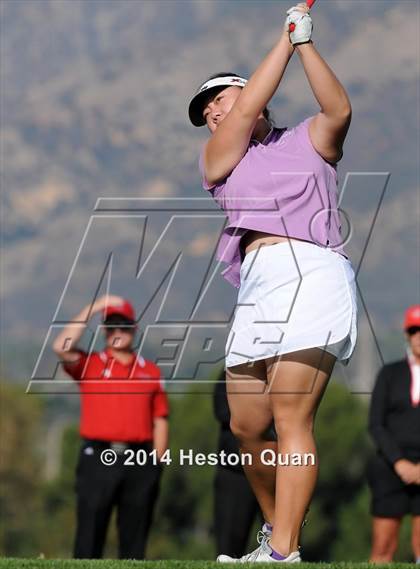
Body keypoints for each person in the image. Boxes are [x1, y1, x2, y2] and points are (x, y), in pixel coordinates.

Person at [188, 3, 357, 563]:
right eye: (206, 108)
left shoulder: (308, 139)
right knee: (246, 425)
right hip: (257, 282)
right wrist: (285, 40)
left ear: (255, 92)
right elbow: (243, 118)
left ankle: (283, 551)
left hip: (313, 271)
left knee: (290, 415)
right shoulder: (220, 157)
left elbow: (338, 108)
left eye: (220, 98)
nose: (213, 112)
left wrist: (304, 44)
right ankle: (277, 532)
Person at [53, 295, 169, 559]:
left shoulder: (150, 372)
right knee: (89, 538)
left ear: (134, 330)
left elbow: (160, 418)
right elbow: (61, 346)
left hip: (140, 459)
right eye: (112, 326)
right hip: (97, 458)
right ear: (104, 330)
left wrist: (157, 464)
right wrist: (94, 306)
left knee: (134, 541)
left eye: (124, 326)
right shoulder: (90, 364)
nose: (118, 332)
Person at [368, 305, 420, 564]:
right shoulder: (389, 374)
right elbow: (376, 424)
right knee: (383, 548)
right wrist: (400, 463)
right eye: (414, 330)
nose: (419, 335)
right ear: (407, 335)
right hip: (391, 466)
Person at [213, 368, 262, 557]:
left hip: (275, 470)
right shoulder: (230, 372)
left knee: (282, 546)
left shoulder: (279, 373)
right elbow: (223, 412)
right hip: (235, 471)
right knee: (229, 548)